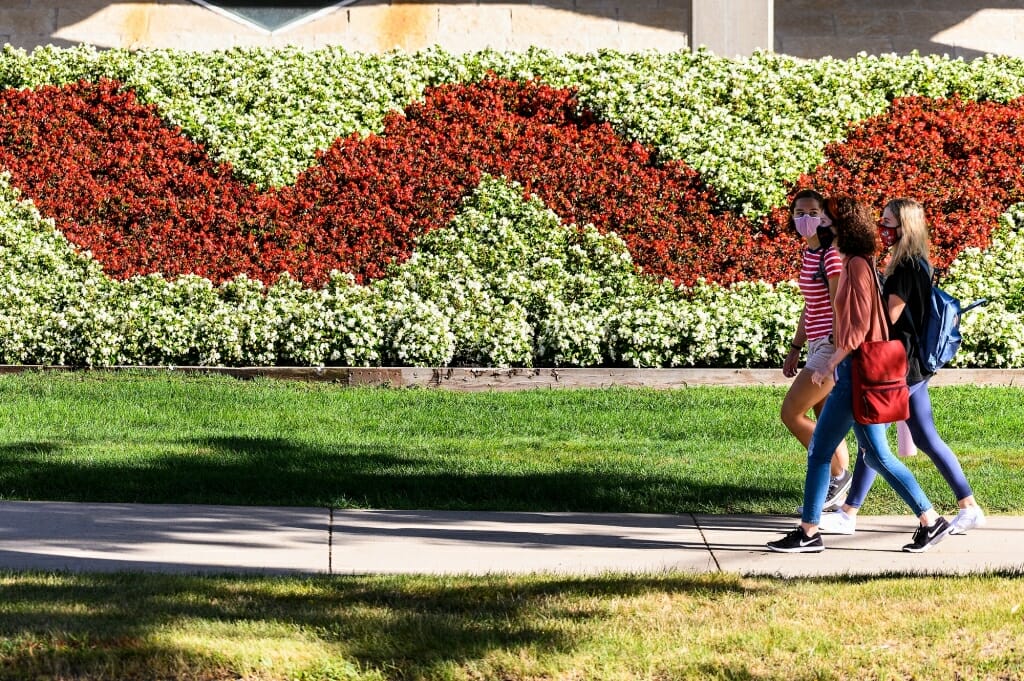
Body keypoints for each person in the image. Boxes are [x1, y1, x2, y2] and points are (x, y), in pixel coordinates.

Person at [767, 196, 951, 553]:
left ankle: (808, 533)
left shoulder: (852, 265)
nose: (818, 223)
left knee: (822, 451)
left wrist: (831, 363)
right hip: (858, 370)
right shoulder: (859, 261)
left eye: (825, 219)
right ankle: (930, 521)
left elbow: (859, 323)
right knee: (876, 455)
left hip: (854, 371)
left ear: (839, 226)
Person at [818, 198, 986, 536]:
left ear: (904, 225)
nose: (882, 226)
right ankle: (967, 505)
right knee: (921, 437)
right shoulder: (917, 262)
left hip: (899, 364)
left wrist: (866, 302)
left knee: (872, 439)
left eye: (888, 220)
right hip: (913, 364)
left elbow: (890, 317)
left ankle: (850, 512)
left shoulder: (906, 267)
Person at [781, 189, 852, 511]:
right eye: (799, 212)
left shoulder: (830, 256)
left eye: (812, 212)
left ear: (824, 217)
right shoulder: (810, 255)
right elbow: (811, 306)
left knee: (792, 414)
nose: (805, 219)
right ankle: (839, 494)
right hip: (815, 343)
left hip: (830, 344)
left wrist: (836, 351)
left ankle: (839, 476)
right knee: (827, 421)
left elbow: (840, 304)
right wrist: (796, 347)